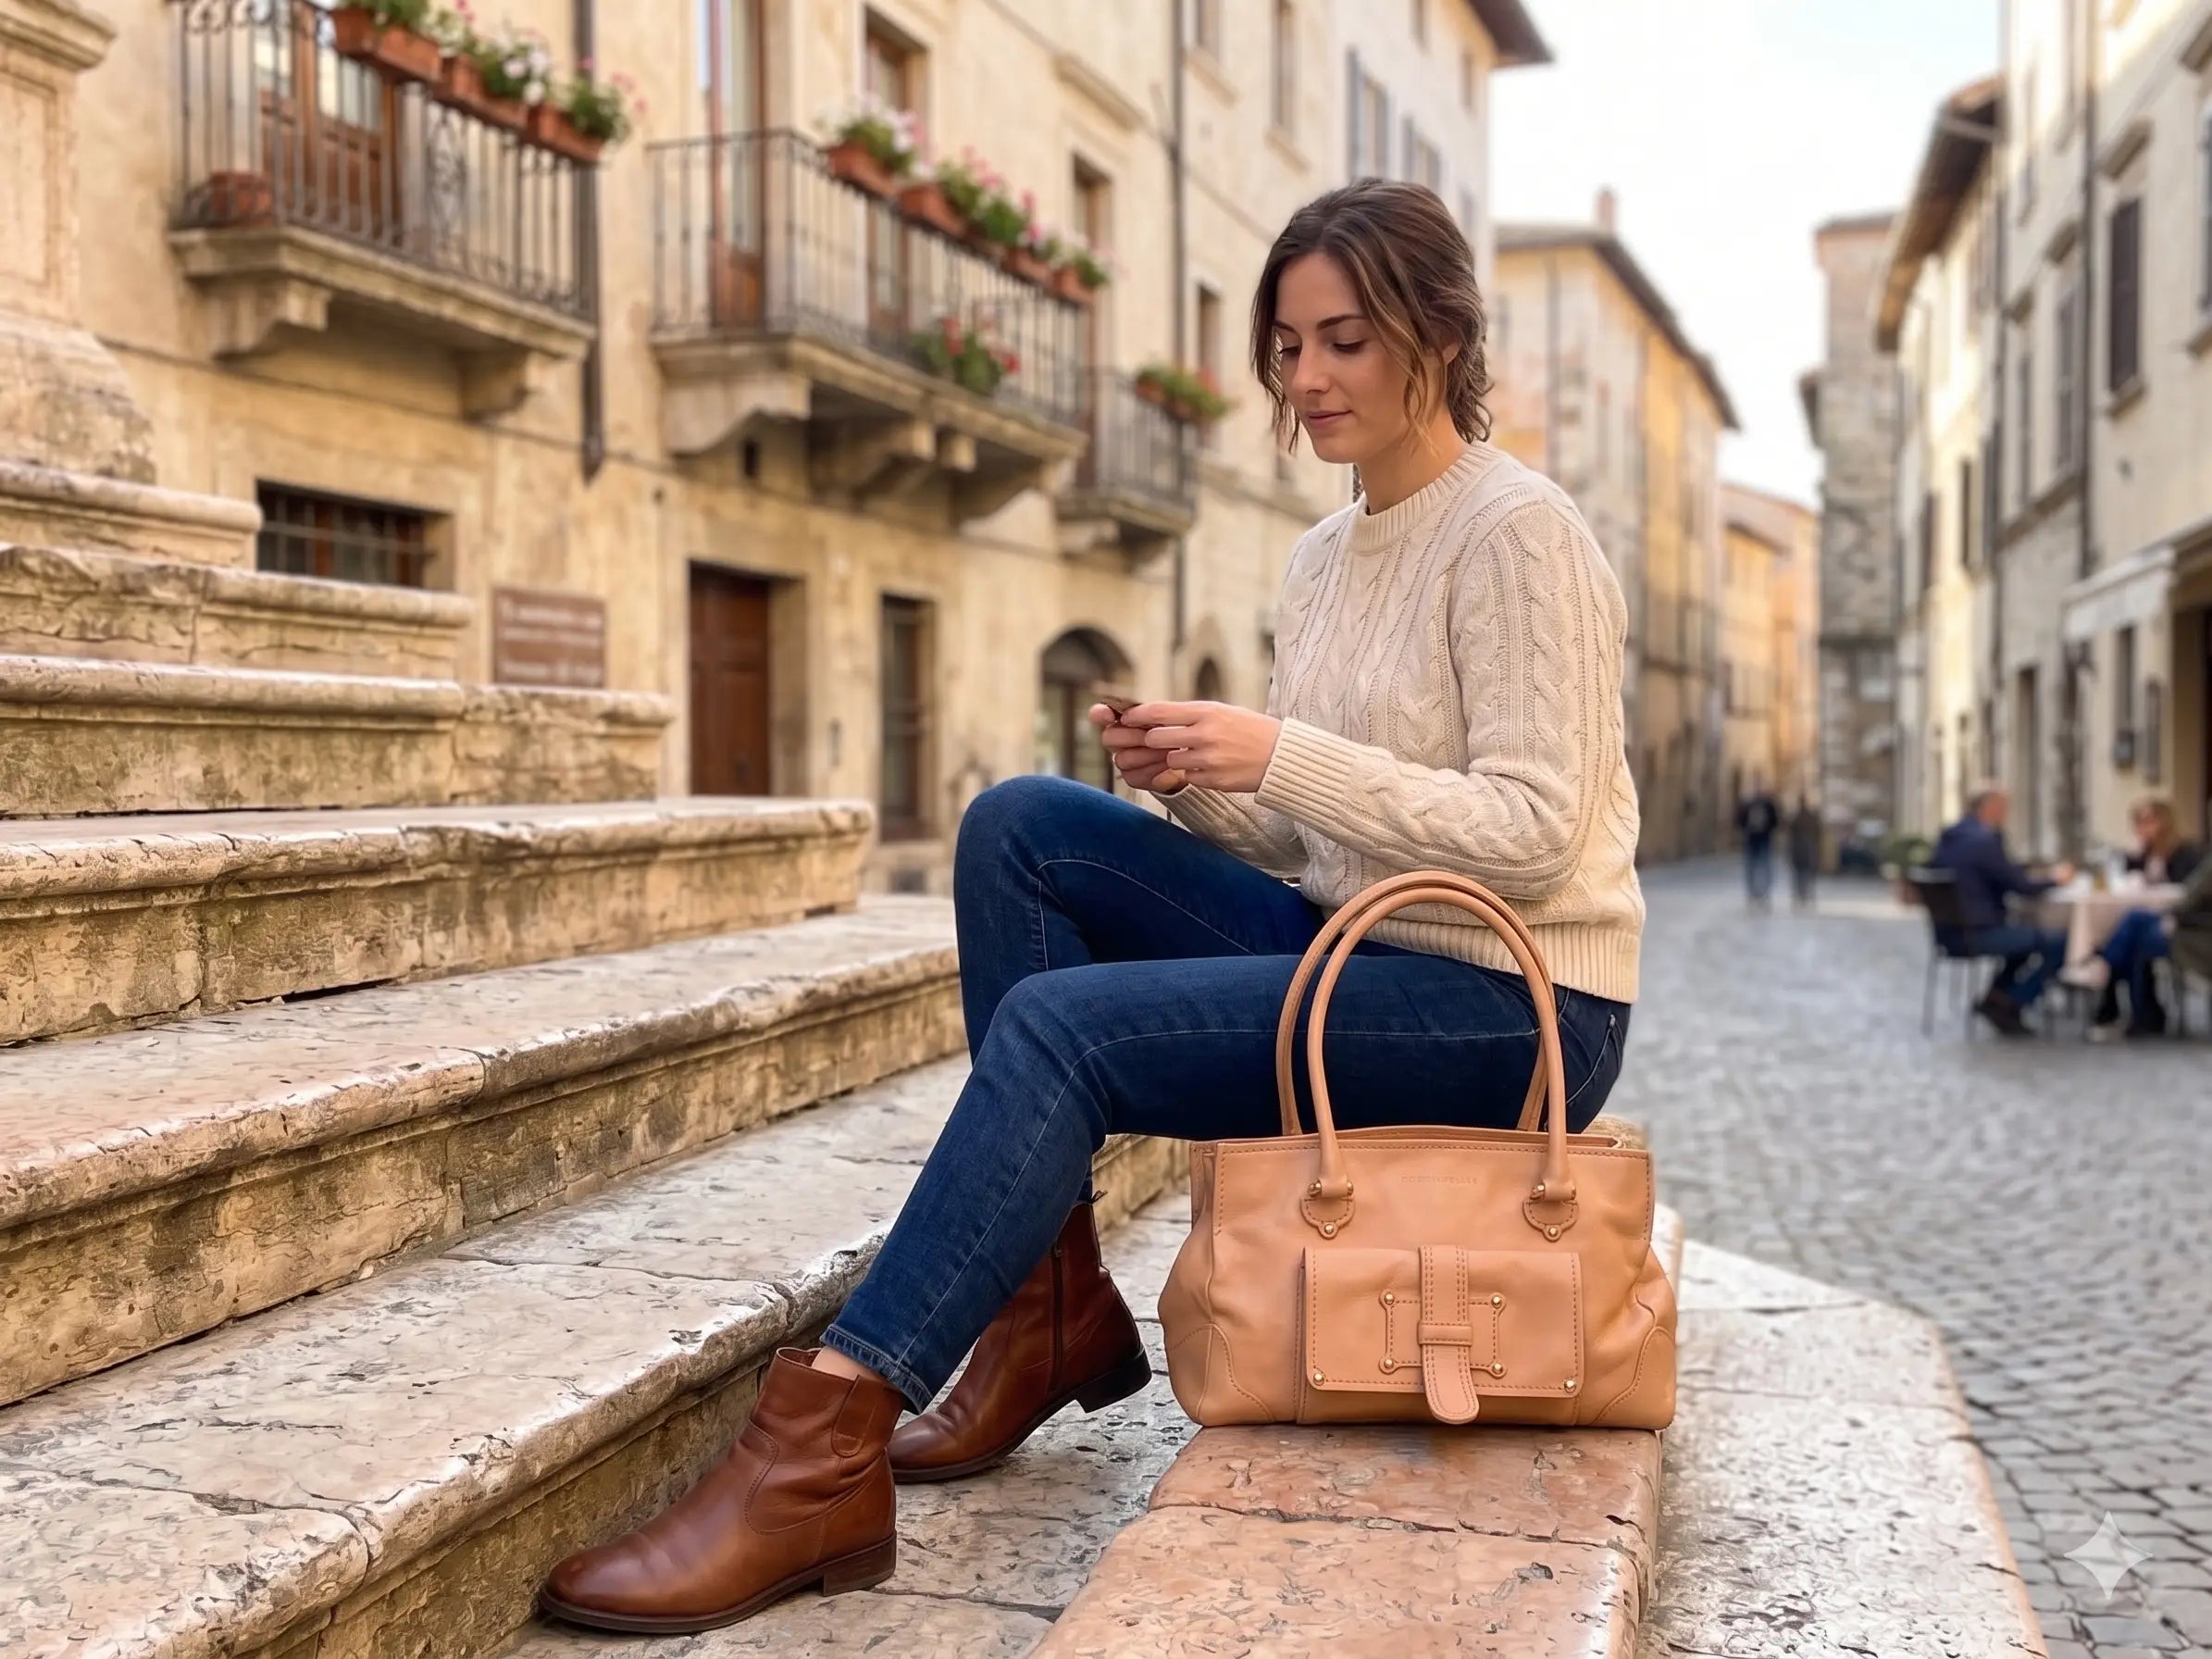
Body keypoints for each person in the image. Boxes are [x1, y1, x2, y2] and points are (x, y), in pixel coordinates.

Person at [537, 180, 1645, 1636]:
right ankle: (1045, 1312)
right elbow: (1310, 838)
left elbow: (1533, 829)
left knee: (1065, 1032)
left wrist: (1280, 751)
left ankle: (821, 1444)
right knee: (1019, 829)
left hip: (1512, 1004)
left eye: (1345, 343)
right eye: (1286, 344)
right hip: (1349, 951)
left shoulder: (1516, 531)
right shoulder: (1321, 557)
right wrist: (1193, 782)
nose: (1304, 379)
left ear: (1436, 339)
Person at [1927, 782, 2073, 1037]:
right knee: (2060, 942)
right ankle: (2013, 1003)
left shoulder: (1950, 838)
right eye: (2004, 808)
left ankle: (1996, 998)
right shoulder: (1984, 841)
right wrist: (2056, 879)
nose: (2006, 814)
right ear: (1990, 808)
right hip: (1976, 932)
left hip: (1950, 933)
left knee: (2025, 939)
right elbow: (2020, 886)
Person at [2063, 795, 2208, 1037]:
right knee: (2131, 931)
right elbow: (2126, 881)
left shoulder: (2187, 852)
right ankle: (2141, 1010)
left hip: (2188, 928)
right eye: (2138, 821)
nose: (2143, 827)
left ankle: (2105, 976)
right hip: (2162, 919)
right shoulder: (2139, 853)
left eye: (2148, 821)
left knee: (2134, 927)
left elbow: (2187, 894)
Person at [1737, 785, 1782, 907]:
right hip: (1753, 840)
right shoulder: (1750, 806)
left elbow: (1775, 821)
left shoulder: (1767, 806)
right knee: (1754, 868)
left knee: (1763, 867)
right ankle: (1754, 894)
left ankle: (1762, 894)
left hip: (1763, 839)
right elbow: (1741, 820)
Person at [1787, 796, 1821, 910]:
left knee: (1800, 875)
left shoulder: (1796, 818)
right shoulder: (1810, 818)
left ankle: (1801, 896)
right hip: (1807, 849)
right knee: (1806, 874)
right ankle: (1805, 896)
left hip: (1800, 849)